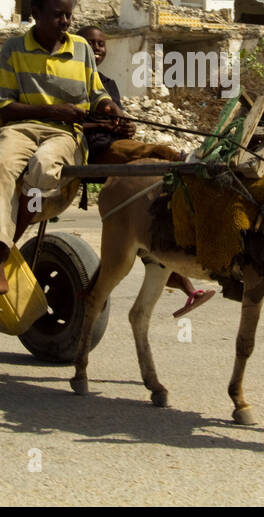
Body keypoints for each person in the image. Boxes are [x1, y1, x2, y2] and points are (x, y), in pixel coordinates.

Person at [0, 0, 130, 314]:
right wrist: (53, 110)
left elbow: (97, 93)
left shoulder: (80, 49)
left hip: (66, 135)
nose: (65, 21)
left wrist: (111, 110)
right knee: (1, 166)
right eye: (57, 15)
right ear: (35, 14)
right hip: (21, 128)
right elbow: (3, 107)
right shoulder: (13, 49)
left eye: (68, 15)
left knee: (42, 166)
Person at [76, 26, 214, 319]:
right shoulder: (72, 82)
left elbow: (120, 118)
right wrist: (105, 127)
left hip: (117, 144)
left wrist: (125, 126)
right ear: (77, 47)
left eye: (101, 44)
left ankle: (187, 284)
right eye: (91, 44)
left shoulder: (108, 83)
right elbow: (73, 121)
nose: (98, 49)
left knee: (148, 229)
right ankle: (182, 160)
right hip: (97, 150)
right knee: (160, 153)